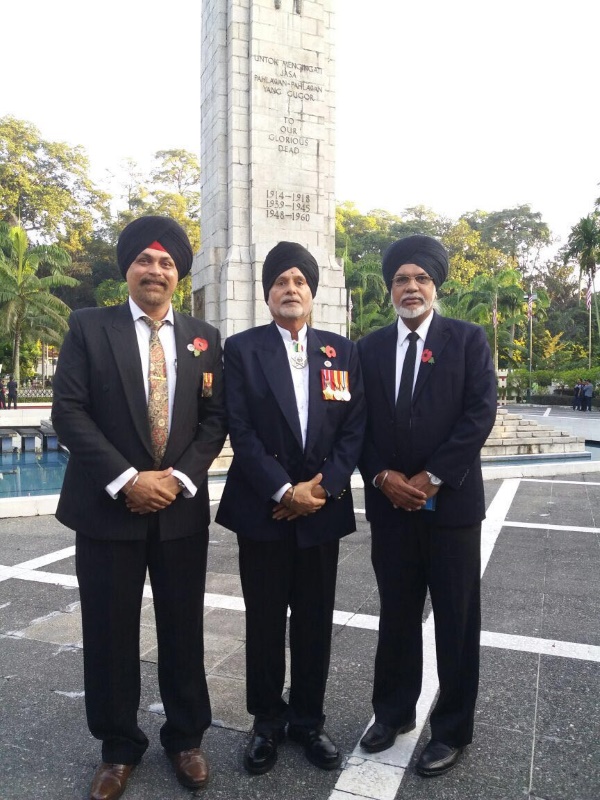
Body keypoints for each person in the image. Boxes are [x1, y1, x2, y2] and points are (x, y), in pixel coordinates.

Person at [52, 216, 227, 800]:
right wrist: (128, 479)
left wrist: (176, 478)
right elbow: (69, 412)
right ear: (127, 268)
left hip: (178, 510)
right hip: (107, 510)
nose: (156, 271)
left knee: (183, 629)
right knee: (108, 632)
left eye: (167, 263)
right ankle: (118, 747)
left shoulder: (203, 337)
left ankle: (186, 739)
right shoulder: (89, 327)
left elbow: (214, 421)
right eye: (145, 261)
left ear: (179, 274)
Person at [216, 242, 365, 775]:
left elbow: (354, 431)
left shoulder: (341, 353)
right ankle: (266, 723)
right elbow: (241, 429)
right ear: (267, 294)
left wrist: (320, 490)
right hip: (264, 510)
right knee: (263, 620)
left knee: (314, 620)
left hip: (322, 509)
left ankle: (308, 721)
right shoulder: (242, 349)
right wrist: (284, 491)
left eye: (300, 280)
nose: (290, 289)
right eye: (280, 281)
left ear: (312, 293)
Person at [356, 235, 497, 777]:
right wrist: (382, 475)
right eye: (400, 280)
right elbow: (357, 425)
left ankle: (453, 729)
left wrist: (433, 476)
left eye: (420, 279)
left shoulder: (466, 340)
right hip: (391, 507)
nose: (410, 288)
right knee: (396, 615)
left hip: (452, 508)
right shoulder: (366, 349)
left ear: (435, 285)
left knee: (456, 621)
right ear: (390, 288)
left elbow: (478, 416)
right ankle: (393, 714)